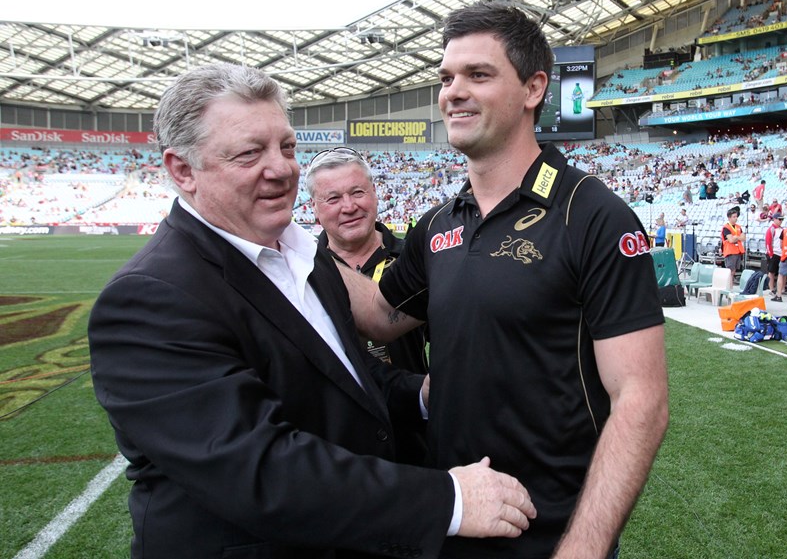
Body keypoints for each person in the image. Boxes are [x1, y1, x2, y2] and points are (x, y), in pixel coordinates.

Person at [87, 63, 536, 559]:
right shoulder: (150, 297)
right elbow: (258, 469)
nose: (280, 169)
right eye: (249, 153)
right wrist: (447, 500)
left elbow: (350, 380)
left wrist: (425, 395)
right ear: (183, 170)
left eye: (286, 146)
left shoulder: (302, 255)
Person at [338, 2, 668, 559]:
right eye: (446, 77)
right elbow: (378, 315)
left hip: (549, 535)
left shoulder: (592, 215)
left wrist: (582, 547)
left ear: (534, 88)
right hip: (452, 521)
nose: (453, 92)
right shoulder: (439, 223)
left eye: (479, 75)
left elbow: (641, 399)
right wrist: (289, 245)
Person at [307, 147, 429, 463]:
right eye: (333, 199)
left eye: (357, 192)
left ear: (375, 194)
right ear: (314, 210)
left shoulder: (415, 263)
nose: (349, 207)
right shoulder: (301, 273)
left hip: (417, 437)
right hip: (336, 447)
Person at [722, 206, 746, 287]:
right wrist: (737, 238)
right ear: (729, 218)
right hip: (730, 252)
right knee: (730, 271)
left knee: (734, 271)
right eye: (734, 217)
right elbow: (731, 240)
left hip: (737, 251)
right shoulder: (726, 228)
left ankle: (730, 287)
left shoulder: (738, 227)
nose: (736, 218)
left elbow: (743, 238)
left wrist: (736, 237)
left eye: (736, 216)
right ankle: (729, 287)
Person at [764, 213, 784, 296]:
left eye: (782, 219)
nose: (781, 221)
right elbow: (768, 243)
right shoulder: (771, 229)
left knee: (781, 272)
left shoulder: (782, 229)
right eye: (779, 219)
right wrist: (770, 254)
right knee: (771, 272)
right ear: (774, 219)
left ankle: (781, 289)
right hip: (774, 253)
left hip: (780, 253)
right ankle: (771, 289)